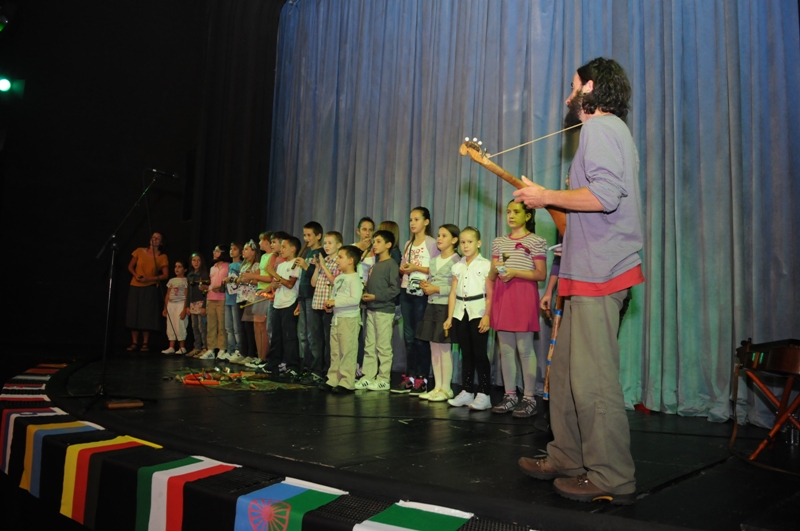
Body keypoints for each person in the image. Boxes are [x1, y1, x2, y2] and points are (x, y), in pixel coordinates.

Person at [514, 57, 644, 504]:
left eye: (573, 86)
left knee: (593, 381)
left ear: (589, 88)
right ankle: (567, 457)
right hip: (582, 273)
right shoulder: (608, 131)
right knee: (568, 375)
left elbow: (605, 197)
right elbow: (587, 212)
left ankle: (611, 476)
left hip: (600, 274)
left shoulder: (599, 129)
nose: (568, 95)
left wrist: (546, 196)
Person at [489, 201, 547, 417]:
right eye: (508, 212)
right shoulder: (499, 242)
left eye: (516, 212)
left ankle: (529, 398)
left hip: (523, 297)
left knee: (525, 349)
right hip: (503, 296)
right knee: (505, 350)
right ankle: (510, 395)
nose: (511, 216)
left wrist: (515, 272)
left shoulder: (536, 241)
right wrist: (496, 270)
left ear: (528, 216)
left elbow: (541, 274)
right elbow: (491, 275)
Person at [444, 227, 493, 410]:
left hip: (478, 312)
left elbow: (490, 294)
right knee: (466, 353)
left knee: (479, 352)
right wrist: (450, 317)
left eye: (470, 242)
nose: (465, 246)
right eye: (463, 242)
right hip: (460, 312)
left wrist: (487, 315)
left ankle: (484, 393)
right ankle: (467, 391)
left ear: (478, 243)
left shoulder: (485, 265)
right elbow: (452, 293)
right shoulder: (457, 266)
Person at [392, 207, 440, 395]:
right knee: (409, 336)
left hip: (422, 292)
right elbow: (403, 265)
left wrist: (416, 267)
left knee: (421, 337)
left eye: (417, 219)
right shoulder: (408, 243)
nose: (412, 223)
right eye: (411, 219)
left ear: (426, 222)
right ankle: (410, 376)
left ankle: (422, 377)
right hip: (406, 290)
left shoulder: (432, 243)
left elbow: (436, 269)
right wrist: (403, 269)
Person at [416, 224, 460, 401]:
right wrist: (427, 286)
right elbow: (432, 280)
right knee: (434, 347)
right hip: (432, 306)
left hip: (445, 307)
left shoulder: (457, 261)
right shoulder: (434, 260)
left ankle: (446, 388)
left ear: (454, 240)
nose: (439, 238)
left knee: (444, 348)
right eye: (439, 235)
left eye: (444, 235)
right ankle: (437, 387)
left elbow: (456, 288)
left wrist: (436, 289)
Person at [356, 230, 401, 391]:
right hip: (371, 309)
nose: (374, 244)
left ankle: (384, 378)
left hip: (384, 311)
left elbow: (394, 289)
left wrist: (376, 296)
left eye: (378, 241)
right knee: (370, 345)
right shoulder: (374, 265)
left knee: (383, 346)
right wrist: (365, 294)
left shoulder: (391, 264)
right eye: (374, 241)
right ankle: (368, 376)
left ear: (388, 245)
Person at [319, 245, 363, 393]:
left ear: (350, 261)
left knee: (347, 351)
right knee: (336, 351)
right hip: (337, 318)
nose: (337, 260)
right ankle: (333, 379)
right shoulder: (339, 278)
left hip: (349, 320)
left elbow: (355, 299)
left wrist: (335, 302)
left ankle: (347, 381)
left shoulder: (354, 278)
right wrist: (330, 305)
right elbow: (336, 296)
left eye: (340, 257)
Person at [264, 236, 302, 380]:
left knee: (289, 337)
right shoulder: (281, 265)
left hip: (289, 303)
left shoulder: (296, 263)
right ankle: (273, 363)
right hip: (278, 303)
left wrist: (274, 274)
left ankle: (293, 366)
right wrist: (274, 284)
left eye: (284, 246)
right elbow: (278, 283)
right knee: (276, 336)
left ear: (293, 249)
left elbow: (290, 284)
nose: (281, 249)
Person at [126, 232, 169, 352]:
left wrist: (149, 279)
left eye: (158, 238)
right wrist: (135, 275)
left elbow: (165, 275)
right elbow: (130, 266)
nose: (155, 239)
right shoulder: (139, 251)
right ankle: (134, 342)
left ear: (161, 242)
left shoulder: (162, 256)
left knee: (146, 315)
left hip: (150, 287)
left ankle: (145, 342)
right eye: (153, 237)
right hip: (135, 286)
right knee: (134, 313)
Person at [294, 221, 325, 383]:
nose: (306, 239)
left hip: (314, 297)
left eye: (309, 235)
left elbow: (319, 275)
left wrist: (307, 266)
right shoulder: (307, 252)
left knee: (313, 335)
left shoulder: (321, 253)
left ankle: (316, 370)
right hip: (304, 296)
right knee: (303, 335)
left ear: (318, 236)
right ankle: (305, 367)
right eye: (304, 235)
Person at [311, 231, 343, 377]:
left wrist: (323, 266)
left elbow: (335, 282)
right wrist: (318, 267)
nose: (326, 246)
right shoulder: (325, 261)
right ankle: (316, 369)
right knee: (317, 339)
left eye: (330, 243)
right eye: (325, 243)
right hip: (317, 304)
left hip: (329, 306)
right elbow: (313, 283)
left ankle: (327, 371)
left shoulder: (338, 262)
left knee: (329, 340)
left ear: (339, 245)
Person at [231, 240, 260, 364]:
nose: (243, 251)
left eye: (246, 249)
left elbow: (257, 281)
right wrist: (238, 280)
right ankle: (243, 352)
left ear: (253, 252)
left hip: (250, 298)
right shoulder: (243, 265)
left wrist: (246, 280)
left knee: (249, 328)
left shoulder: (256, 265)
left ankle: (251, 354)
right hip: (241, 298)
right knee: (241, 327)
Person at [202, 245, 230, 360]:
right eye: (214, 250)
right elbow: (211, 283)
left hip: (222, 298)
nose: (214, 253)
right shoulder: (212, 268)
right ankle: (211, 349)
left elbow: (230, 282)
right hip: (210, 298)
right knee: (211, 325)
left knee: (222, 325)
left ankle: (222, 349)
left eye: (217, 251)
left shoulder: (228, 266)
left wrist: (221, 286)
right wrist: (205, 287)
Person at [218, 241, 243, 361]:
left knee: (236, 327)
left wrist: (231, 279)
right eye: (231, 249)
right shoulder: (230, 265)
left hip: (236, 299)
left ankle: (238, 349)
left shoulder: (240, 265)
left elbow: (241, 280)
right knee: (228, 327)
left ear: (240, 252)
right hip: (228, 298)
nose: (232, 251)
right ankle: (230, 349)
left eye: (235, 249)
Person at [161, 260, 189, 355]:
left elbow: (186, 295)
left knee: (180, 324)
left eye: (180, 267)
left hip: (180, 304)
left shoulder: (186, 280)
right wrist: (165, 308)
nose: (177, 269)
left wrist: (184, 308)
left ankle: (182, 347)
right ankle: (171, 347)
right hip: (171, 304)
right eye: (176, 266)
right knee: (170, 324)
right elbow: (168, 294)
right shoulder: (171, 280)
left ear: (185, 269)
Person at [185, 253, 208, 357]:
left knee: (202, 327)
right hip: (192, 303)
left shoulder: (204, 274)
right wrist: (187, 305)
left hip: (201, 302)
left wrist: (204, 306)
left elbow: (206, 291)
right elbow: (188, 292)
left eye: (198, 260)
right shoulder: (189, 275)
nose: (196, 262)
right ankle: (197, 347)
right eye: (194, 260)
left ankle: (205, 347)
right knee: (194, 327)